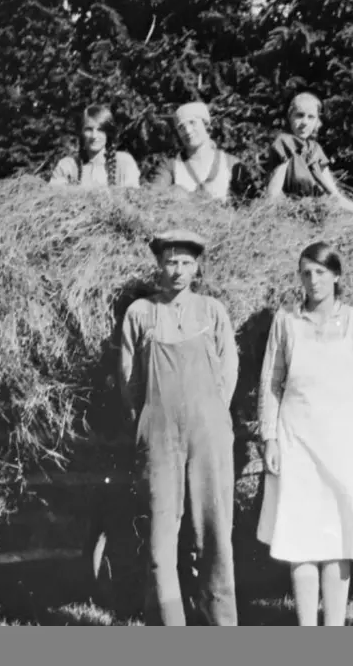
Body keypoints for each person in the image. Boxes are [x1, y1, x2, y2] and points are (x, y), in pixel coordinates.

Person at [256, 241, 353, 626]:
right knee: (301, 536)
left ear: (336, 276)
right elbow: (271, 382)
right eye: (306, 273)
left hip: (344, 442)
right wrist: (270, 438)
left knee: (339, 537)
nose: (313, 280)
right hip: (297, 441)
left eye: (321, 272)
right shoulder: (286, 320)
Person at [117, 228, 240, 626]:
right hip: (159, 430)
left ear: (197, 266)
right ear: (158, 264)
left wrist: (212, 415)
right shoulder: (140, 312)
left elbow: (227, 372)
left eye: (187, 262)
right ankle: (170, 624)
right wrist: (151, 417)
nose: (178, 270)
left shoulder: (212, 311)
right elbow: (129, 379)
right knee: (161, 529)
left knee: (214, 525)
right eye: (170, 261)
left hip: (208, 430)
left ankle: (220, 620)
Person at [263, 92, 353, 227]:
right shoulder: (285, 143)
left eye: (311, 117)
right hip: (294, 219)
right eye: (299, 115)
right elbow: (273, 197)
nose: (305, 122)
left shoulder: (315, 150)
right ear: (290, 116)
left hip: (320, 217)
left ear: (317, 121)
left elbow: (336, 199)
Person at [147, 101, 242, 203]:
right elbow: (153, 197)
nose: (188, 131)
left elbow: (245, 205)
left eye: (192, 122)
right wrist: (178, 194)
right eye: (181, 127)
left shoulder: (231, 164)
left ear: (205, 124)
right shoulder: (170, 166)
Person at [49, 104, 141, 188]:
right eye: (89, 129)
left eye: (100, 130)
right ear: (81, 132)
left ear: (108, 133)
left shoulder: (124, 163)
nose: (94, 136)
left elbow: (131, 200)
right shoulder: (67, 166)